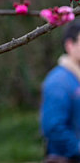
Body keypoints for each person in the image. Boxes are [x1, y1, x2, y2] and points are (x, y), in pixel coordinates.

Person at [41, 20, 80, 163]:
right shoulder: (58, 81)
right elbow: (53, 127)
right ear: (70, 45)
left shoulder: (76, 77)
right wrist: (77, 148)